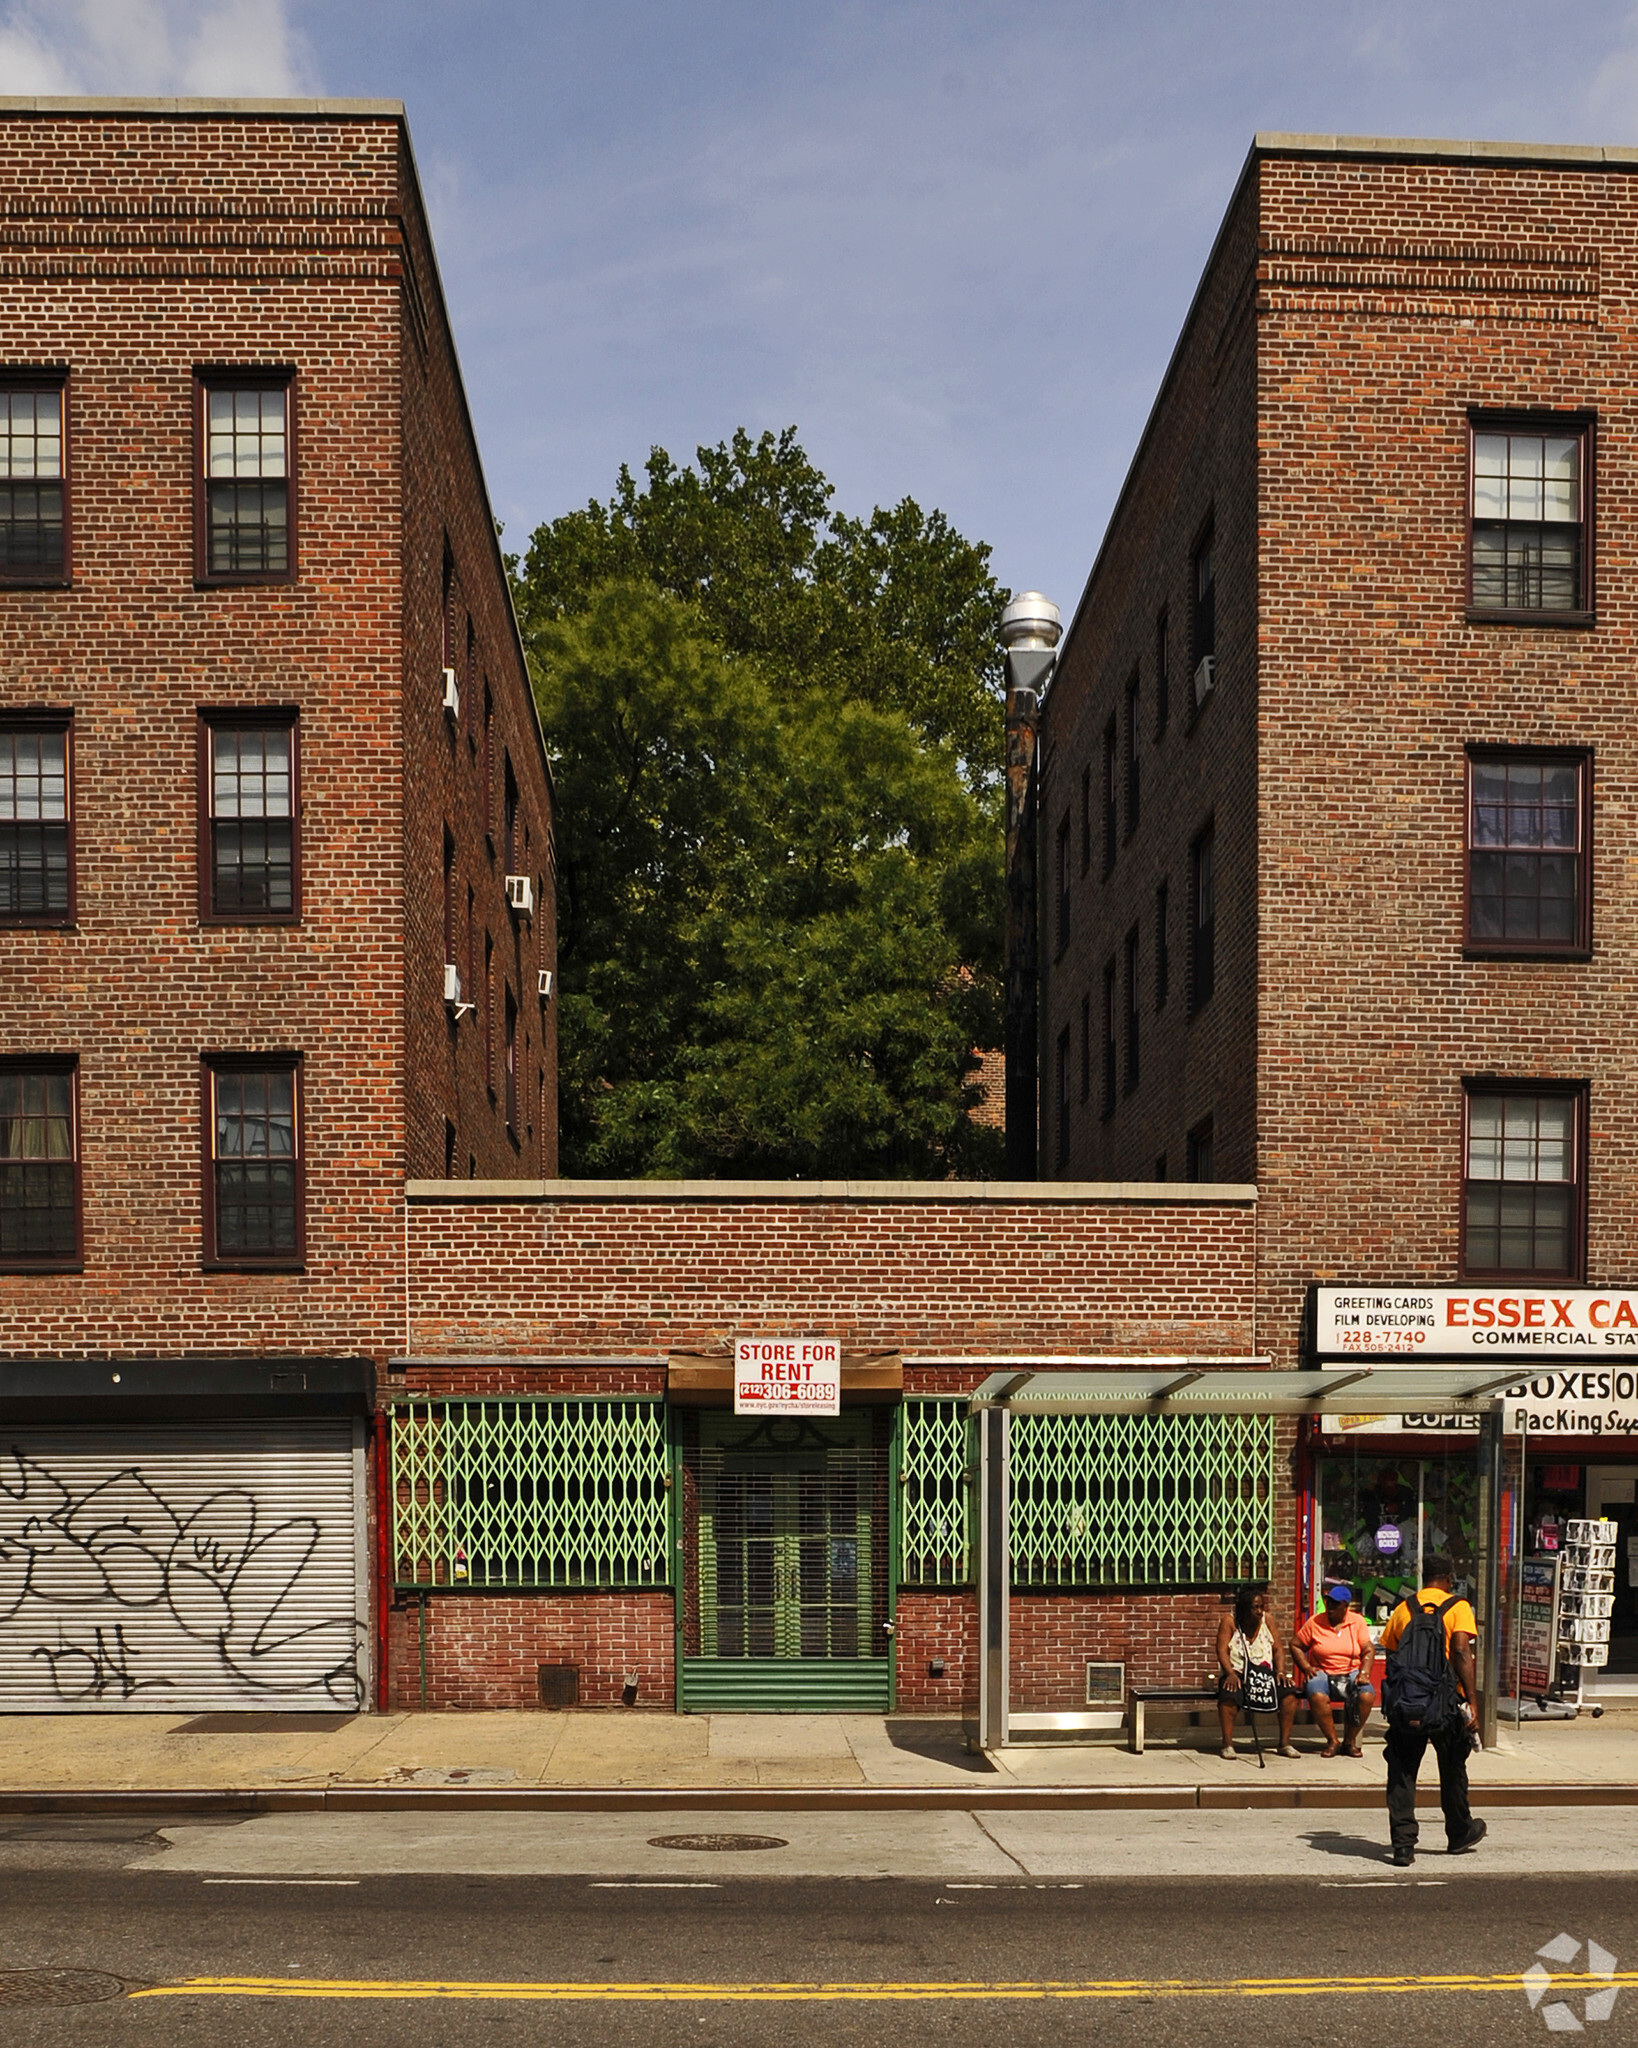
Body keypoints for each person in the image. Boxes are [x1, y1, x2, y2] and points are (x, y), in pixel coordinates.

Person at [1379, 1552, 1487, 1866]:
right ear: (1450, 1578)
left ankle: (1402, 1845)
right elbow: (1461, 1651)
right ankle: (1458, 1832)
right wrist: (1471, 1699)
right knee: (1453, 1767)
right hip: (1445, 1704)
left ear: (1423, 1577)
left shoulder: (1403, 1609)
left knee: (1402, 1771)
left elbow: (1392, 1654)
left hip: (1409, 1702)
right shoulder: (1459, 1607)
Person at [1215, 1587, 1300, 1759]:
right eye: (1255, 1608)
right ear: (1245, 1609)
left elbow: (1278, 1649)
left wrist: (1281, 1671)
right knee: (1229, 1695)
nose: (1259, 1611)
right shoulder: (1230, 1621)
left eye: (1261, 1607)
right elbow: (1222, 1650)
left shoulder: (1268, 1620)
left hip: (1264, 1674)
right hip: (1238, 1672)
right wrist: (1229, 1673)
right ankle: (1227, 1744)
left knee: (1289, 1696)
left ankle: (1284, 1743)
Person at [1293, 1581, 1376, 1756]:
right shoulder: (1315, 1622)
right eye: (1328, 1602)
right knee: (1316, 1694)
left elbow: (1368, 1649)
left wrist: (1364, 1672)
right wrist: (1306, 1667)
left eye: (1335, 1604)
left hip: (1351, 1670)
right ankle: (1332, 1741)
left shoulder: (1357, 1621)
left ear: (1345, 1606)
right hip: (1322, 1670)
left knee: (1367, 1695)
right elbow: (1296, 1645)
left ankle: (1349, 1741)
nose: (1329, 1607)